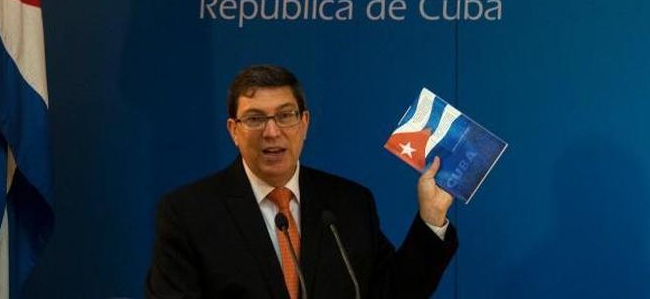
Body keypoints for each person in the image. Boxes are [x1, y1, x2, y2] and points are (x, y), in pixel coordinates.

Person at [146, 64, 457, 298]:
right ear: (234, 130)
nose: (272, 132)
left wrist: (431, 218)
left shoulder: (349, 203)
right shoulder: (188, 213)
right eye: (255, 118)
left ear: (304, 123)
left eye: (285, 115)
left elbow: (393, 293)